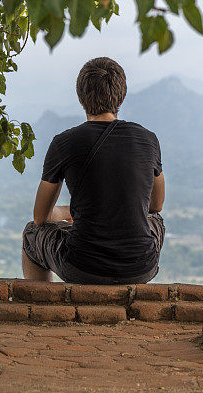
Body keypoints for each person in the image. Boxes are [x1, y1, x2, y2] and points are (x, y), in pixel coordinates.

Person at [21, 57, 166, 284]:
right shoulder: (148, 139)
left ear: (80, 98)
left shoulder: (64, 143)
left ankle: (43, 308)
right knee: (156, 221)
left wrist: (69, 212)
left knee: (31, 235)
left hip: (82, 266)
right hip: (141, 266)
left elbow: (40, 217)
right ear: (122, 97)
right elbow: (155, 206)